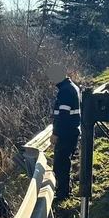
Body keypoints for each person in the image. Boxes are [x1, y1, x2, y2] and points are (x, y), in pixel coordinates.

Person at [48, 63, 81, 203]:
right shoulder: (72, 87)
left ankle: (62, 195)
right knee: (64, 163)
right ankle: (65, 190)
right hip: (71, 131)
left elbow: (63, 115)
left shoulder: (65, 91)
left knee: (61, 164)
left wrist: (55, 133)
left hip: (65, 133)